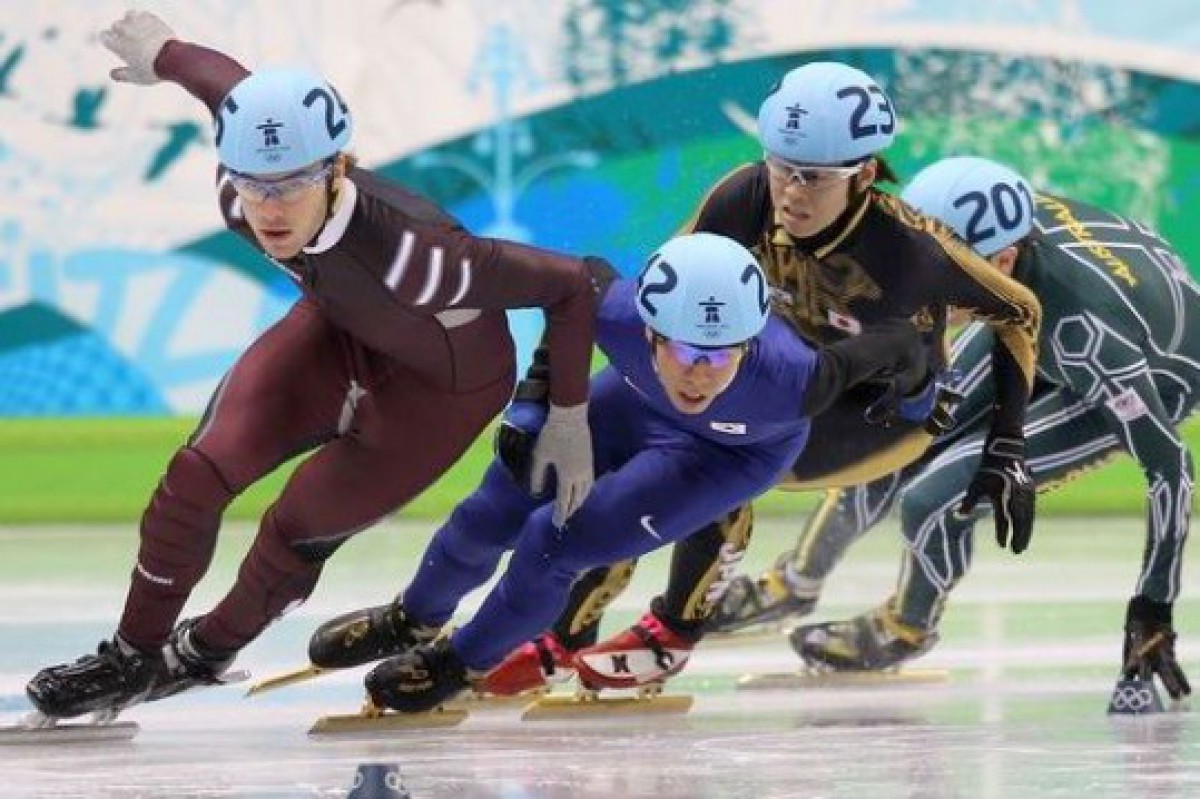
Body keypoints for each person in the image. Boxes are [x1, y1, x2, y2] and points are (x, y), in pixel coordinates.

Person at [24, 10, 606, 723]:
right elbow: (231, 89)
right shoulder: (244, 179)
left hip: (442, 393)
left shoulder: (417, 255)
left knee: (292, 531)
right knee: (195, 477)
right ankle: (131, 654)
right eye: (252, 182)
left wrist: (565, 411)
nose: (269, 207)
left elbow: (574, 283)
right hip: (340, 330)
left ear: (338, 170)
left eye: (292, 183)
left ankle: (201, 654)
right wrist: (168, 53)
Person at [480, 60, 1043, 692]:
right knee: (644, 437)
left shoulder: (914, 249)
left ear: (864, 175)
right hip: (794, 365)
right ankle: (566, 633)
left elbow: (1020, 311)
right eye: (782, 167)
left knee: (707, 457)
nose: (792, 194)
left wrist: (1008, 443)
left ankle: (673, 631)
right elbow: (660, 295)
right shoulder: (745, 195)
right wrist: (545, 393)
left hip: (877, 413)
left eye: (815, 177)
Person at [308, 231, 934, 713]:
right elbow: (568, 289)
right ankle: (412, 616)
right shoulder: (615, 312)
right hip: (636, 403)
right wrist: (534, 401)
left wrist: (919, 396)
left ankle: (460, 662)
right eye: (685, 350)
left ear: (749, 343)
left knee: (554, 542)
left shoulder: (796, 377)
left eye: (722, 356)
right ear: (650, 332)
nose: (700, 375)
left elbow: (902, 343)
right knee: (491, 511)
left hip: (726, 455)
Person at [779, 157, 1194, 702]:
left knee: (934, 497)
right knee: (895, 433)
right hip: (1052, 310)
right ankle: (793, 582)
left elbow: (1171, 467)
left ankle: (906, 626)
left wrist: (1153, 606)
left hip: (1140, 370)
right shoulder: (1001, 234)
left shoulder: (1086, 338)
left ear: (1001, 261)